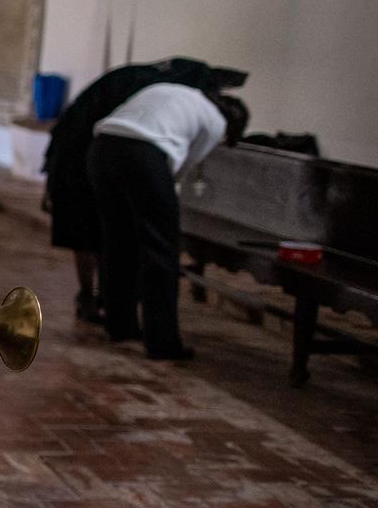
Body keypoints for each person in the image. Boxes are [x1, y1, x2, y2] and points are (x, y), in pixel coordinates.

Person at [44, 57, 247, 322]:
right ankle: (155, 333)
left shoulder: (153, 83)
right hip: (87, 154)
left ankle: (112, 312)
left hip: (94, 149)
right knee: (142, 243)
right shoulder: (196, 104)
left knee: (112, 236)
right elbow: (180, 167)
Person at [87, 84, 249, 360]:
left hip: (102, 148)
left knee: (118, 241)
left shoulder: (173, 90)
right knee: (161, 251)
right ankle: (162, 342)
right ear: (231, 126)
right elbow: (183, 167)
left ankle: (119, 325)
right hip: (144, 155)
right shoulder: (215, 121)